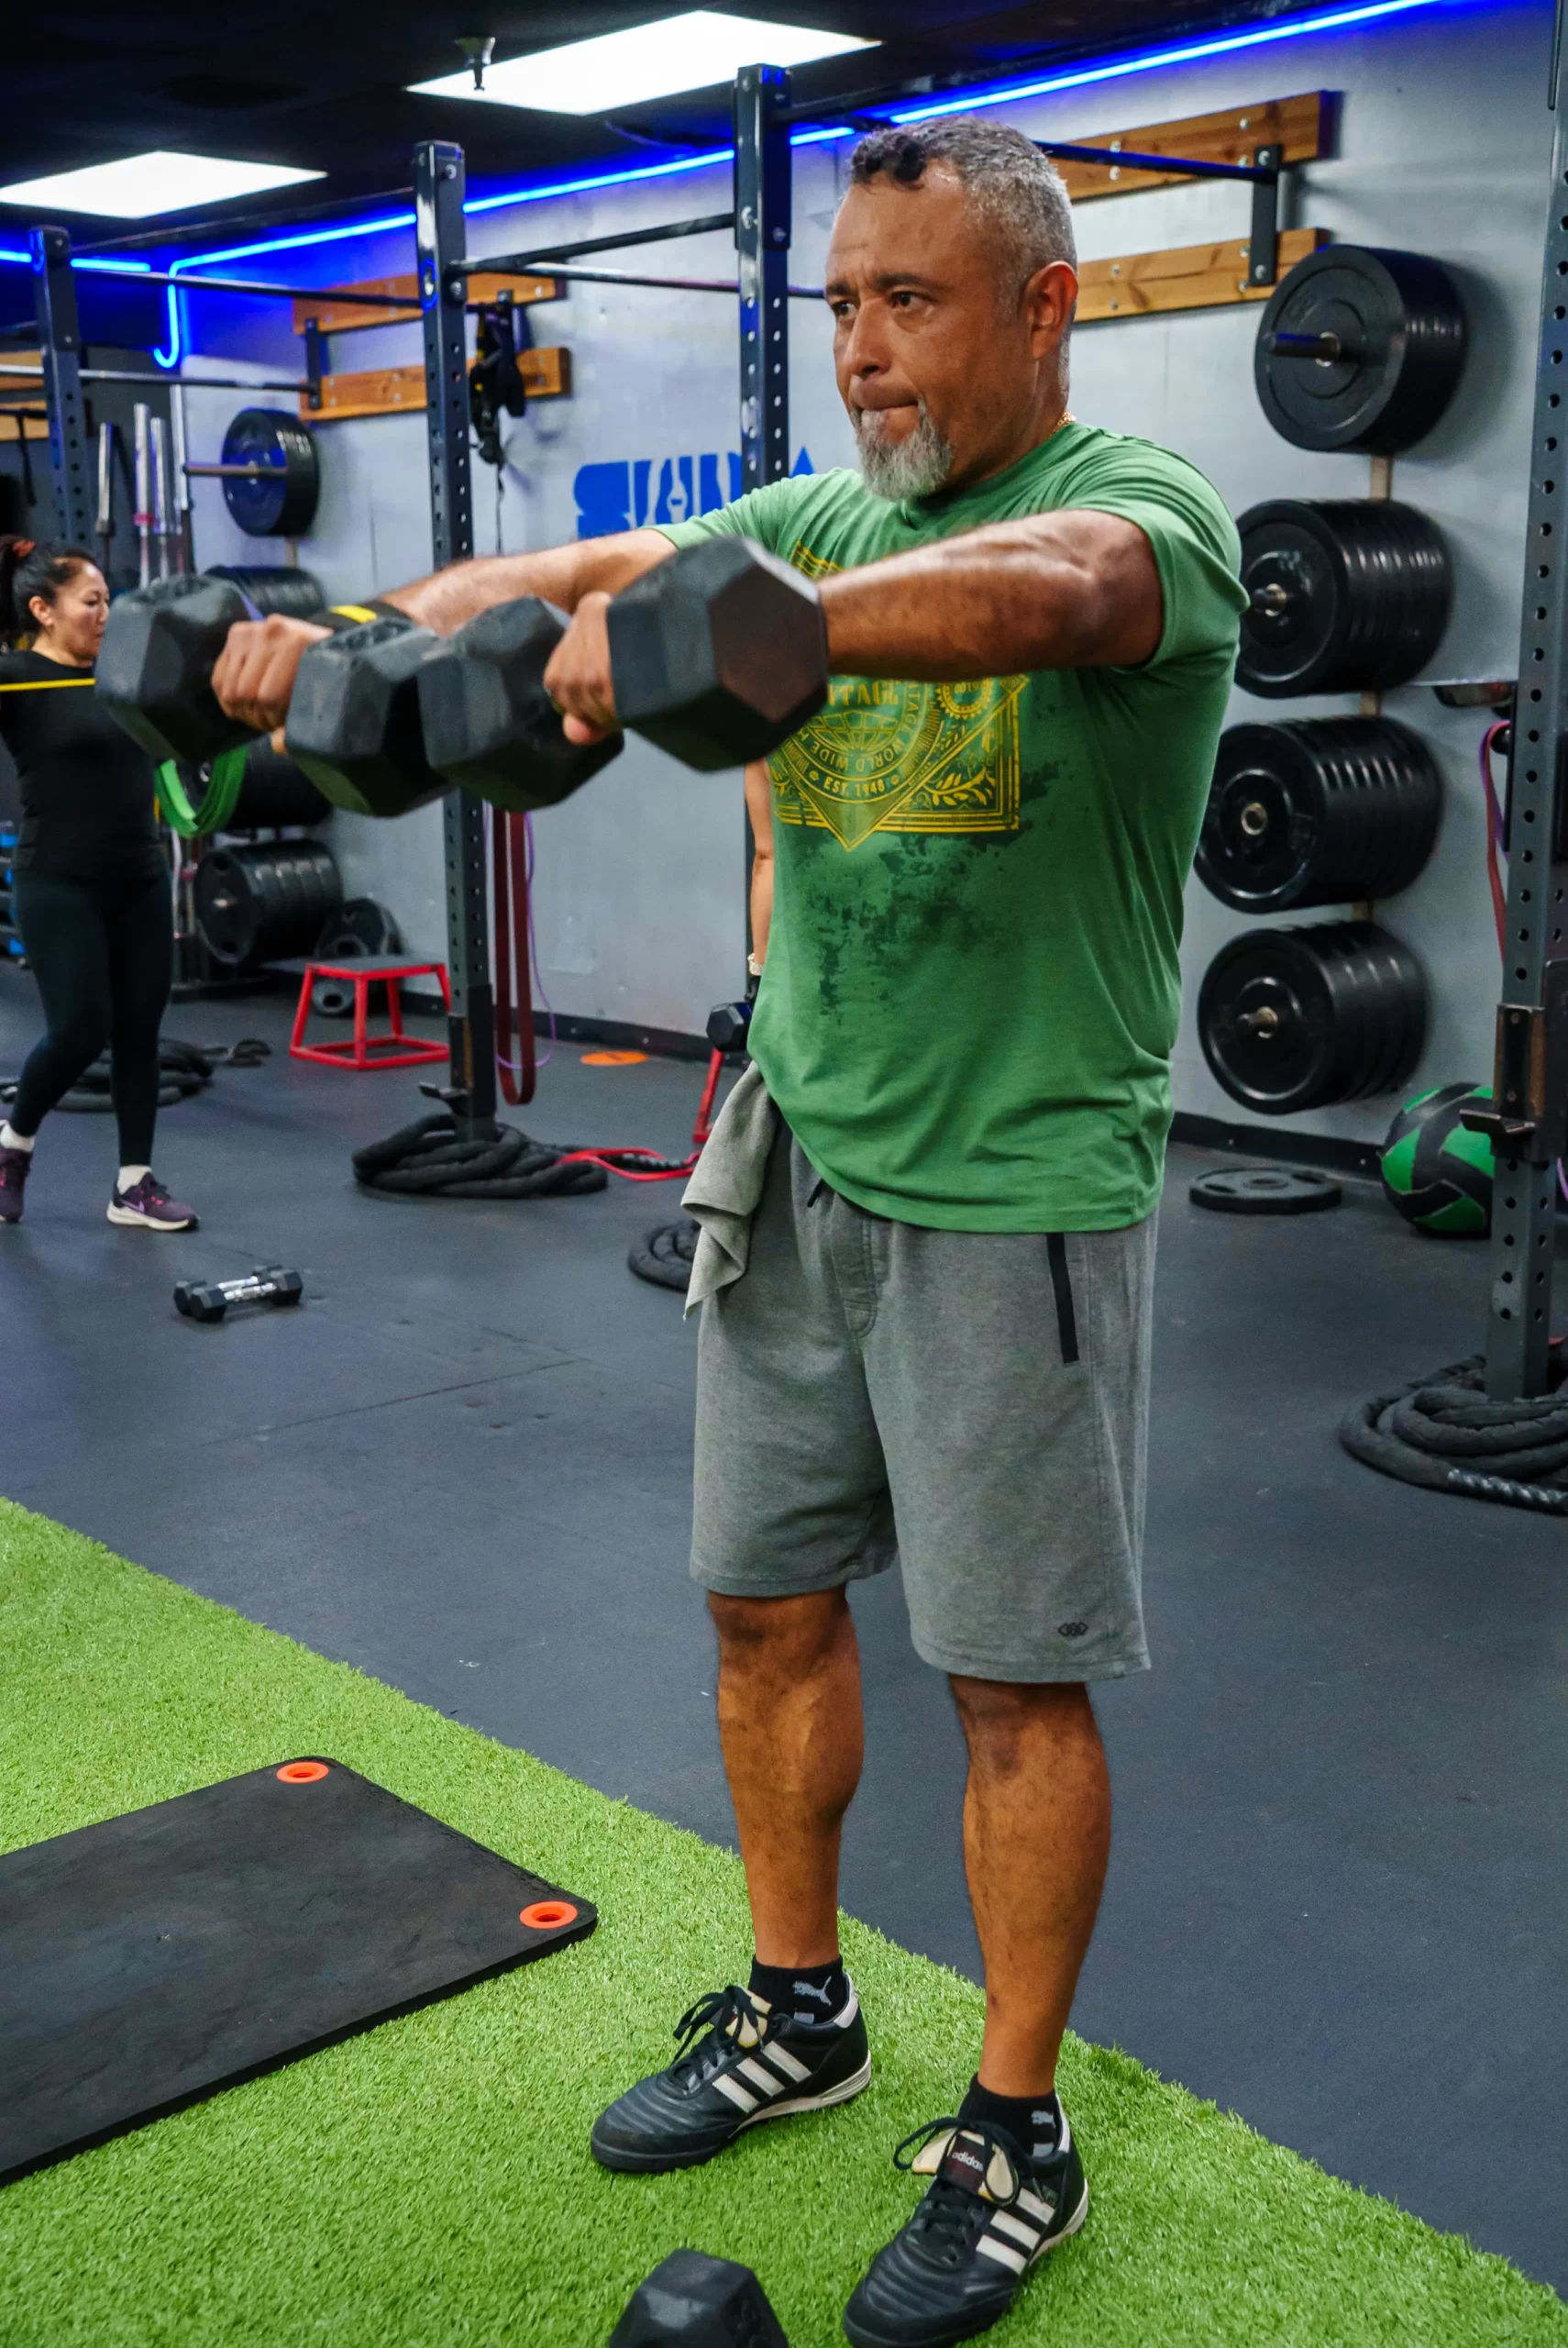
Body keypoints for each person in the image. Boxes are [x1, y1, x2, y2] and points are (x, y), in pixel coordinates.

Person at [213, 116, 1243, 2348]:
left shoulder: (1151, 516)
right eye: (841, 303)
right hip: (796, 1155)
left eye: (910, 301)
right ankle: (802, 2004)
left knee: (1010, 1676)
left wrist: (754, 621)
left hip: (1011, 1185)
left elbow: (1061, 591)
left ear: (1044, 307)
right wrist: (353, 634)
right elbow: (563, 579)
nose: (862, 350)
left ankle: (1017, 2123)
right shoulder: (808, 515)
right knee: (762, 1607)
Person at [0, 537, 196, 1229]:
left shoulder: (124, 673)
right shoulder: (14, 678)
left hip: (139, 877)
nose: (107, 613)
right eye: (92, 601)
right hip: (58, 882)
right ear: (43, 610)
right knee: (80, 1031)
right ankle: (13, 1144)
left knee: (139, 1031)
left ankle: (133, 1185)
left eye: (109, 600)